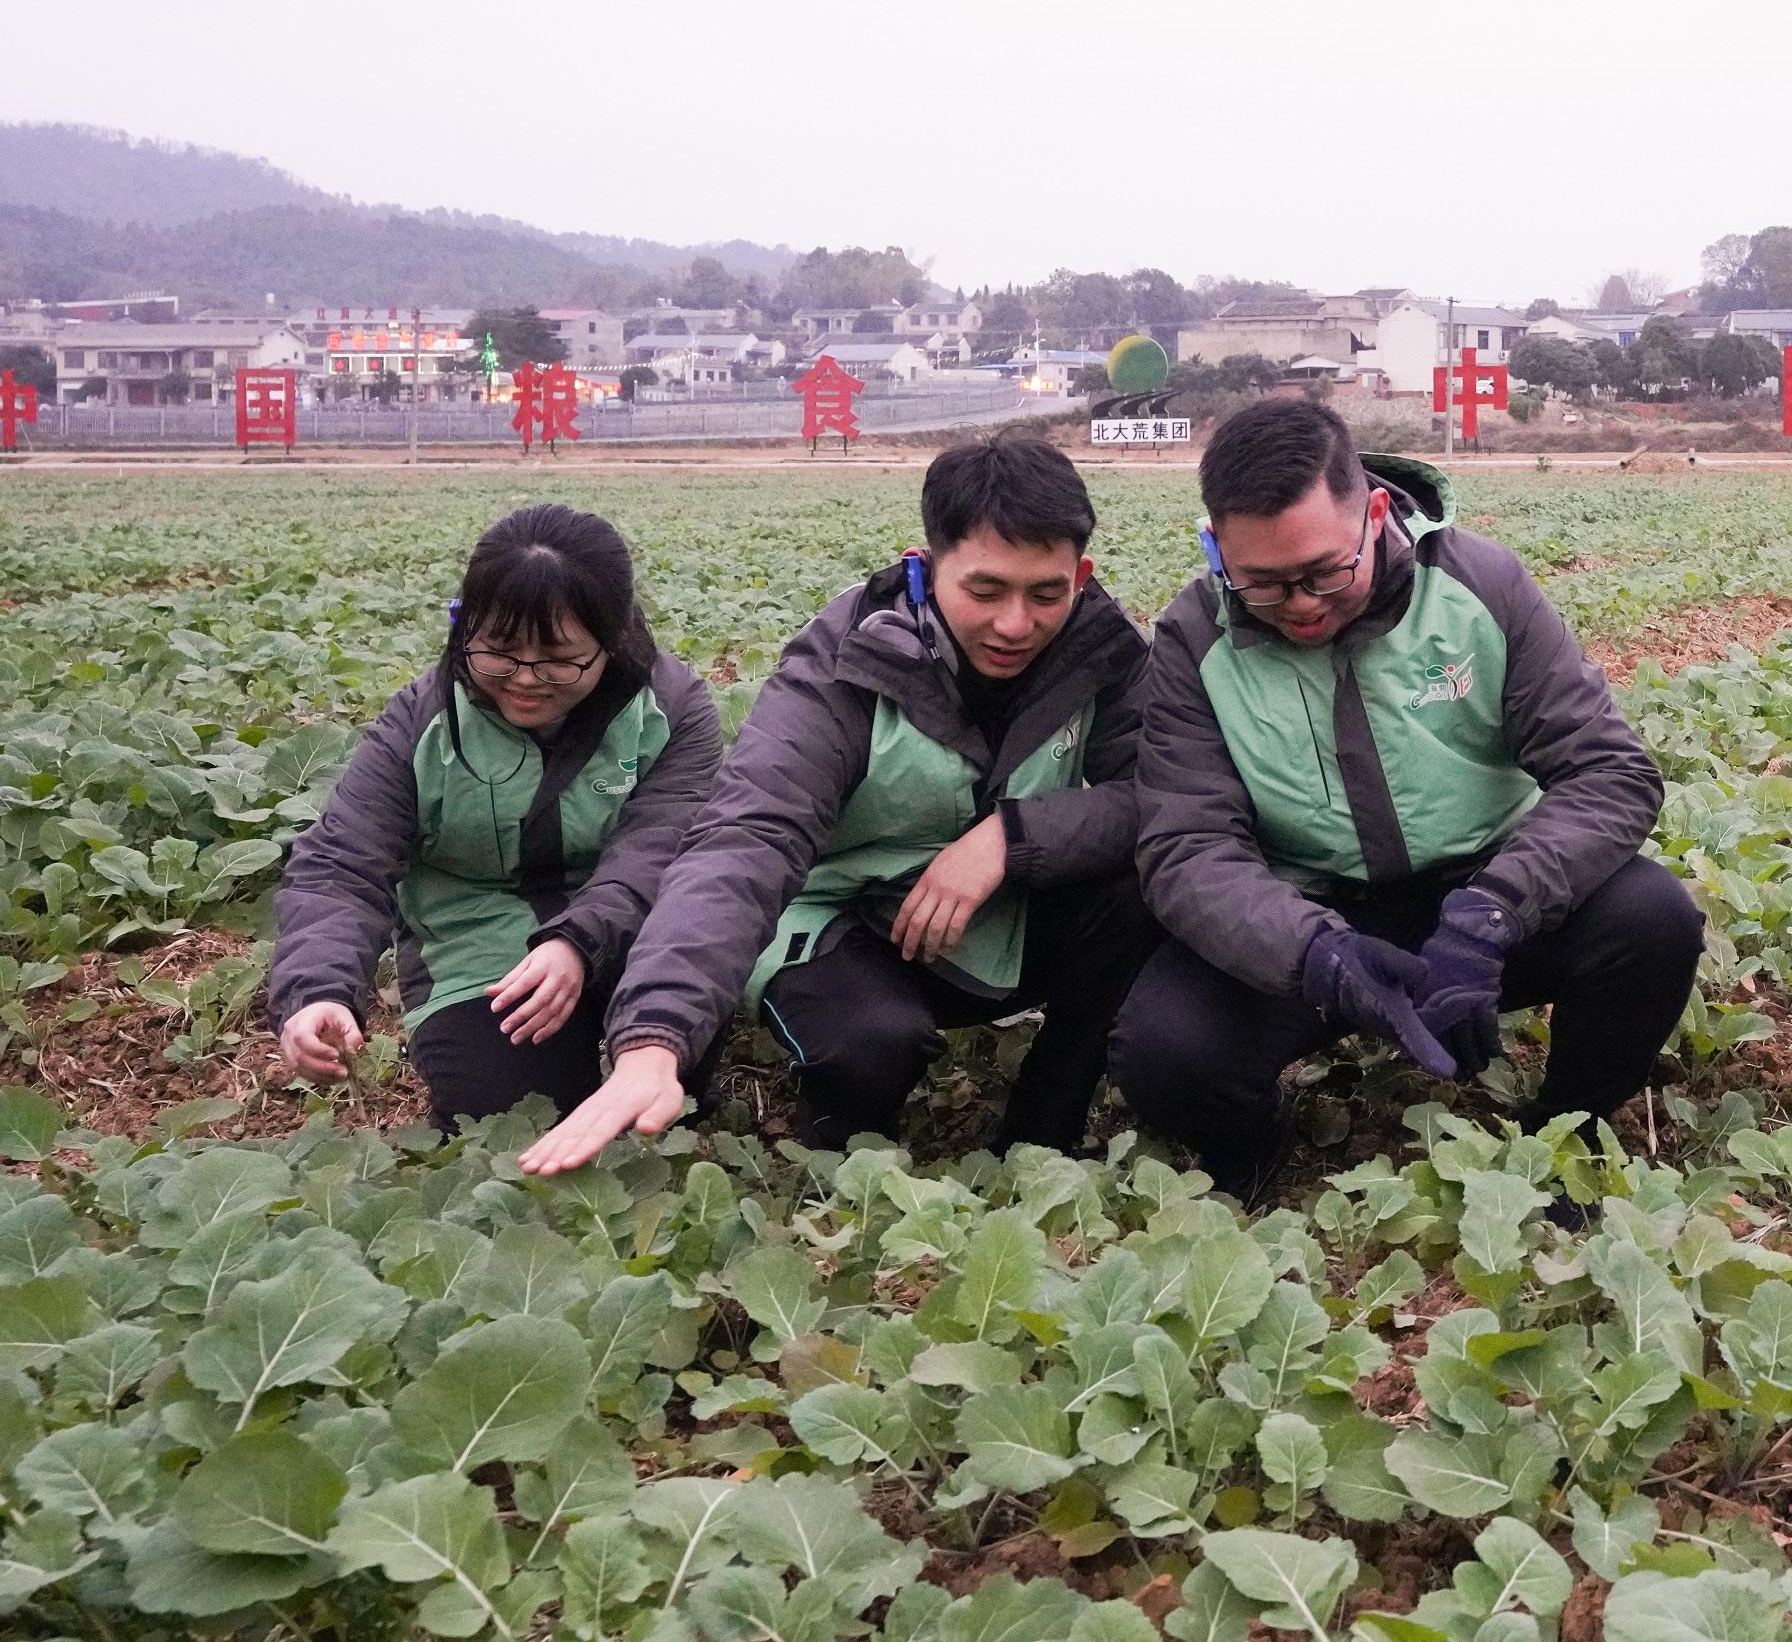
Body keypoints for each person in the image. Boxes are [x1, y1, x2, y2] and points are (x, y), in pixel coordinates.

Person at [519, 435, 1154, 1173]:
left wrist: (1010, 838)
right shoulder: (848, 658)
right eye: (985, 591)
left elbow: (1156, 795)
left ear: (1080, 574)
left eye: (1047, 593)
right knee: (872, 1045)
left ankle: (1041, 1136)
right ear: (926, 566)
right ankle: (839, 1161)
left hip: (983, 911)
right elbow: (748, 838)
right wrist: (654, 1036)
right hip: (833, 920)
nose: (1016, 623)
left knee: (1147, 889)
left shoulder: (1100, 648)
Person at [1110, 399, 1682, 1198]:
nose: (1303, 604)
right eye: (1265, 585)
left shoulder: (1480, 584)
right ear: (1216, 548)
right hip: (1309, 913)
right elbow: (1186, 846)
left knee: (1651, 923)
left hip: (1482, 889)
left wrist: (1494, 913)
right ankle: (1256, 1140)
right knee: (1164, 1051)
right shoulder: (1194, 637)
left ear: (1375, 513)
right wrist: (1317, 953)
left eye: (1325, 572)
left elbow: (1610, 773)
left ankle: (1565, 1135)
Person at [270, 505, 725, 1126]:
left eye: (561, 660)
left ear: (612, 640)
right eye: (500, 654)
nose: (526, 681)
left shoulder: (671, 708)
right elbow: (343, 861)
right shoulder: (422, 719)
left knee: (673, 1087)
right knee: (508, 1116)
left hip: (636, 929)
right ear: (465, 628)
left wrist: (577, 940)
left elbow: (661, 851)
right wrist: (316, 988)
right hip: (477, 943)